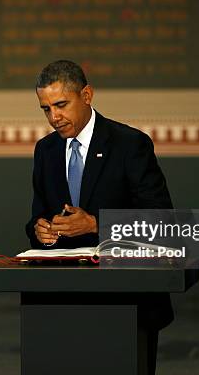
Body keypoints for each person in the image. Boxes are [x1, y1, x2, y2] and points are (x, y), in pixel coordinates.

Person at [25, 59, 173, 374]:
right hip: (63, 303)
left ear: (87, 95)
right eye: (46, 109)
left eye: (61, 105)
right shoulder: (46, 150)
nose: (54, 117)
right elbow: (38, 214)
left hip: (127, 300)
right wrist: (40, 229)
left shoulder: (130, 144)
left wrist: (96, 224)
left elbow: (160, 218)